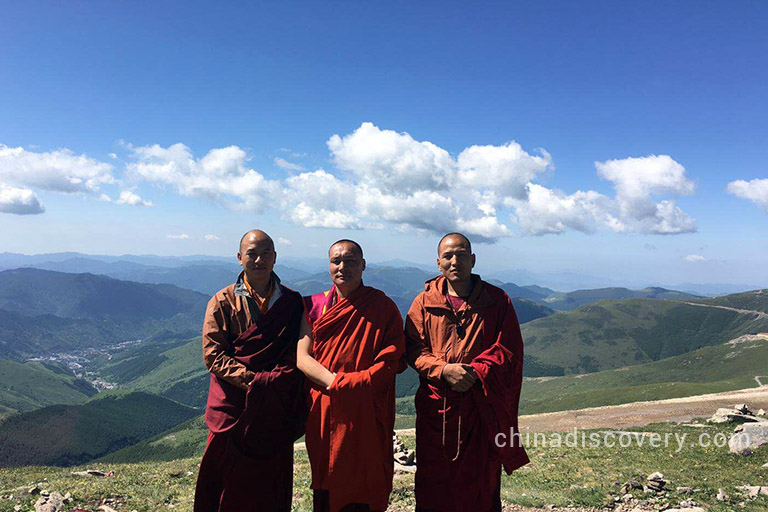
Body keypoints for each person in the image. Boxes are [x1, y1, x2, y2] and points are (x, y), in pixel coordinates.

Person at [405, 233, 529, 512]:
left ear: (472, 260)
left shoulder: (497, 301)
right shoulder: (424, 303)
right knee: (434, 481)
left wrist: (476, 371)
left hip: (480, 408)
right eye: (448, 256)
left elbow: (509, 351)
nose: (455, 261)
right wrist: (444, 370)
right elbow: (413, 350)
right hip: (436, 409)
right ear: (438, 263)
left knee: (480, 481)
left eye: (461, 255)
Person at [194, 229, 307, 512]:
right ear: (239, 257)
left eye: (265, 253)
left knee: (270, 482)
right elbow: (213, 355)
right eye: (251, 253)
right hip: (234, 407)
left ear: (275, 257)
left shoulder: (292, 302)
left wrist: (275, 383)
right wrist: (256, 382)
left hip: (273, 407)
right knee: (225, 483)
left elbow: (299, 351)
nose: (259, 260)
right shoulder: (222, 301)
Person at [298, 239, 406, 512]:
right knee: (326, 479)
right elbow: (301, 357)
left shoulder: (382, 307)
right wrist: (336, 383)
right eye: (336, 261)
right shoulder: (314, 305)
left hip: (365, 411)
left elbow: (391, 358)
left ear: (363, 265)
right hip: (326, 410)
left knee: (364, 482)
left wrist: (351, 384)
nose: (342, 267)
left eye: (351, 261)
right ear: (328, 265)